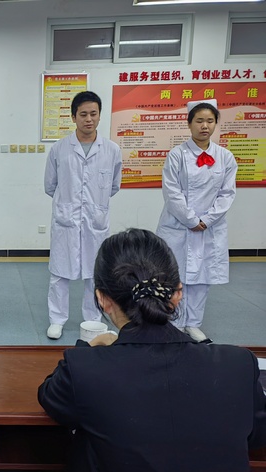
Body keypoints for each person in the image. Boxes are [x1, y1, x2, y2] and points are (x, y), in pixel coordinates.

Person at [38, 228, 266, 471]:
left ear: (102, 299)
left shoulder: (83, 370)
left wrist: (88, 347)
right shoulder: (239, 365)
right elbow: (256, 437)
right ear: (177, 294)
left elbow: (50, 396)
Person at [157, 99, 237, 343]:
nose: (205, 126)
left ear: (216, 124)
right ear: (189, 123)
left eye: (210, 121)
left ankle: (193, 324)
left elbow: (227, 193)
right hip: (179, 225)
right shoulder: (177, 155)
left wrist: (207, 220)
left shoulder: (225, 157)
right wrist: (191, 219)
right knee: (175, 276)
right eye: (199, 121)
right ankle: (175, 322)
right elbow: (171, 192)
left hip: (209, 228)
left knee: (203, 278)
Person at [44, 91, 122, 339]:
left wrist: (92, 205)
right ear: (73, 117)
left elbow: (114, 185)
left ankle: (92, 320)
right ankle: (57, 320)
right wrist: (70, 205)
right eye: (83, 114)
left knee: (94, 274)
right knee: (59, 274)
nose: (89, 119)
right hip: (66, 221)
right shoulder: (59, 149)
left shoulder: (111, 150)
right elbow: (50, 185)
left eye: (93, 114)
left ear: (99, 115)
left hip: (95, 221)